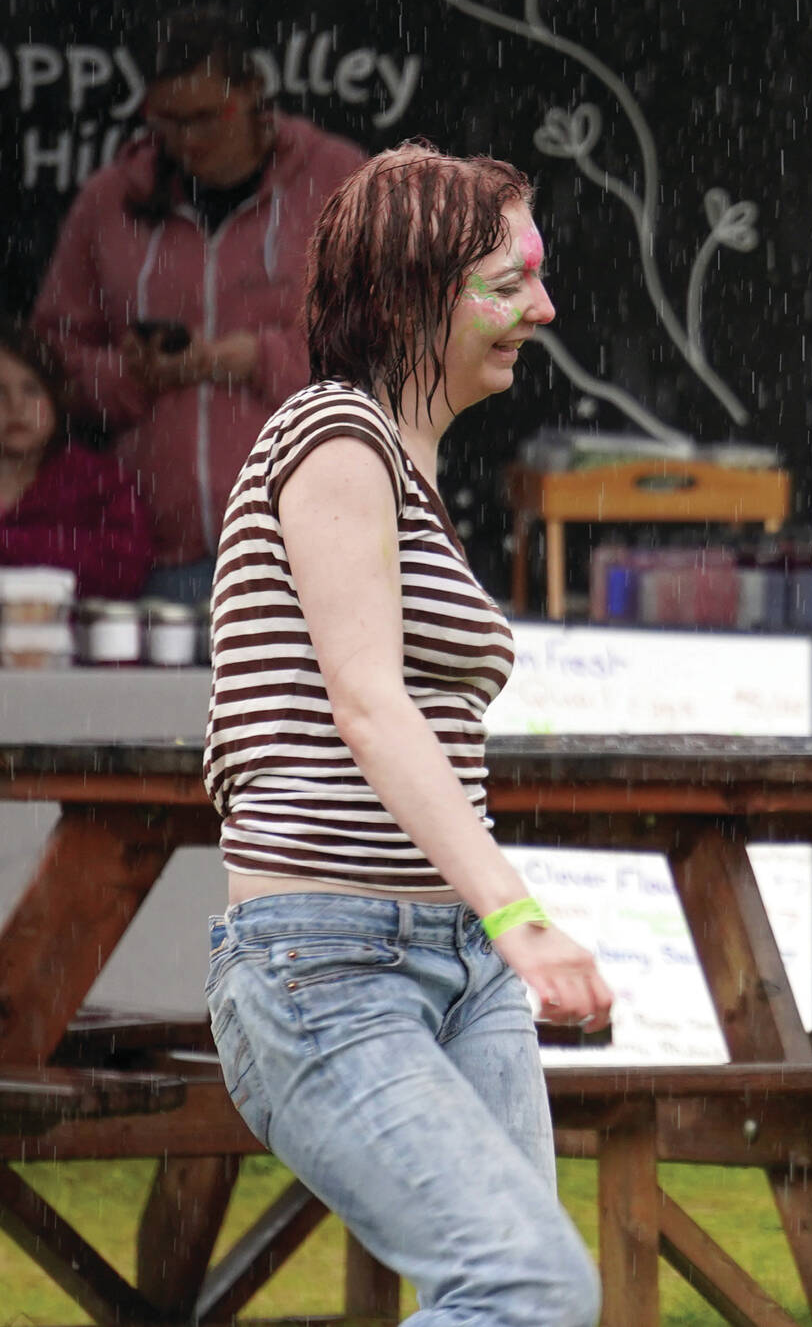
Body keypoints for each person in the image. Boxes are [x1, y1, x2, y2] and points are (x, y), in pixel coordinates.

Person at [202, 143, 609, 1327]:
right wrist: (520, 915)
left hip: (457, 969)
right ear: (408, 295)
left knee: (535, 1303)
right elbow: (368, 704)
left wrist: (490, 939)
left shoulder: (411, 468)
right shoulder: (334, 436)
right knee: (522, 1286)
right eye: (506, 279)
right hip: (325, 962)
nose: (542, 306)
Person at [33, 6, 363, 606]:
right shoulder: (109, 202)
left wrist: (253, 360)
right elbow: (47, 353)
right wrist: (126, 377)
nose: (188, 140)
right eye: (168, 122)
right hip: (154, 548)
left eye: (208, 117)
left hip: (307, 547)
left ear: (256, 96)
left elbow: (384, 343)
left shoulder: (337, 180)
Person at [0, 321, 153, 598]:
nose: (16, 406)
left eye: (31, 389)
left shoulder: (99, 483)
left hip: (74, 639)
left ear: (56, 398)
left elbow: (123, 570)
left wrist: (11, 545)